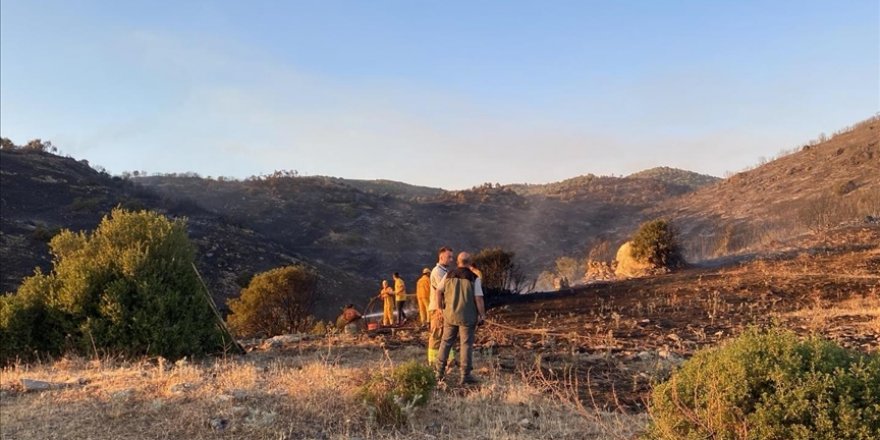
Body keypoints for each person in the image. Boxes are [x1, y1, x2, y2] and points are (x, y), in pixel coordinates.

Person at [435, 252, 487, 385]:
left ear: (458, 262)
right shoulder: (474, 277)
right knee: (466, 345)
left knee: (445, 343)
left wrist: (439, 308)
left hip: (450, 316)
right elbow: (479, 298)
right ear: (470, 263)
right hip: (467, 317)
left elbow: (438, 291)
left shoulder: (448, 274)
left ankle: (438, 373)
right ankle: (465, 376)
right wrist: (482, 315)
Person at [428, 247, 456, 365]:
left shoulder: (444, 271)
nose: (451, 259)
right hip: (437, 309)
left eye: (452, 257)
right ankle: (433, 362)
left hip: (444, 308)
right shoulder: (437, 272)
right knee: (437, 335)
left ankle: (450, 360)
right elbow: (445, 290)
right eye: (449, 257)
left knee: (447, 335)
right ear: (441, 257)